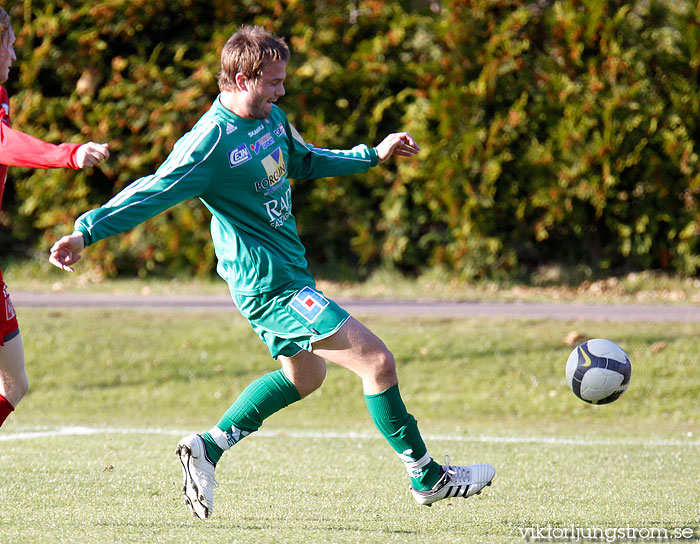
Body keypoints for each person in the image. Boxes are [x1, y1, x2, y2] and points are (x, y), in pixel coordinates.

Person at [49, 25, 494, 518]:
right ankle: (427, 476)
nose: (282, 91)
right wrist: (85, 232)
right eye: (273, 82)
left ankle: (208, 447)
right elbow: (152, 190)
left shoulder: (272, 118)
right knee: (377, 362)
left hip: (292, 274)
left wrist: (371, 154)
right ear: (241, 78)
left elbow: (303, 161)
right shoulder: (209, 142)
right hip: (268, 287)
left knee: (306, 375)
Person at [0, 8, 110, 428]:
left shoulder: (1, 97)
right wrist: (69, 153)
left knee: (14, 385)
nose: (14, 54)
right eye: (8, 43)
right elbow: (5, 144)